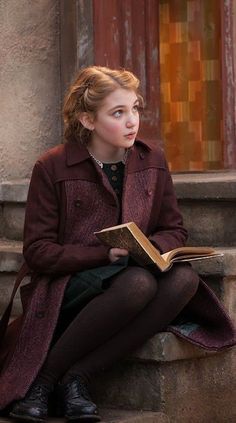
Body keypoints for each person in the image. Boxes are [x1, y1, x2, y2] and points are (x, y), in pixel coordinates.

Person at [0, 66, 235, 422]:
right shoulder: (52, 166)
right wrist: (102, 254)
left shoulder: (151, 159)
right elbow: (38, 252)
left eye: (135, 109)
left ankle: (77, 377)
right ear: (88, 119)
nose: (132, 121)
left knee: (185, 280)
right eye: (118, 113)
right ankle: (41, 383)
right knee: (137, 284)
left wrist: (152, 246)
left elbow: (174, 228)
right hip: (69, 283)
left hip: (132, 273)